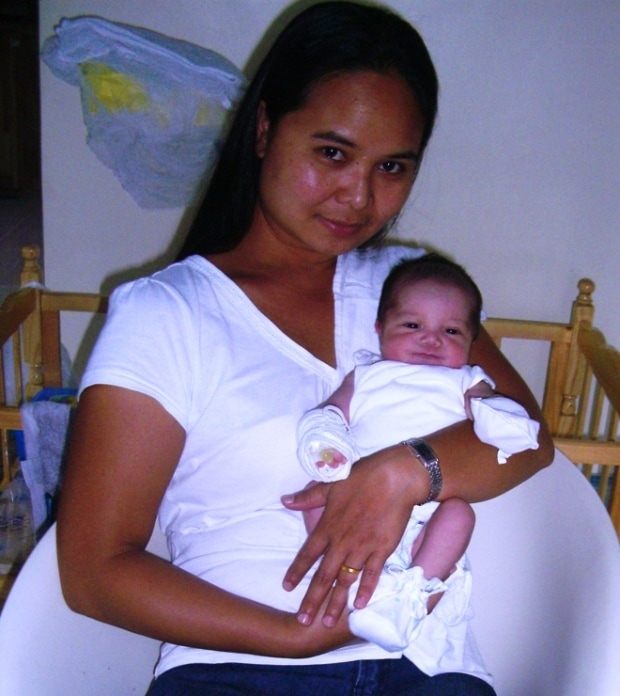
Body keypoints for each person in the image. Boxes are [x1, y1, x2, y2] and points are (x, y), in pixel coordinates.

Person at [56, 2, 554, 694]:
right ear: (264, 129)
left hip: (425, 664)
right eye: (332, 154)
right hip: (239, 671)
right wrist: (294, 638)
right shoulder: (169, 313)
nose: (358, 196)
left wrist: (404, 473)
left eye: (392, 167)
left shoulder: (410, 292)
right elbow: (95, 571)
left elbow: (528, 439)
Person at [296, 254, 540, 667]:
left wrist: (502, 419)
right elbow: (332, 412)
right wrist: (326, 445)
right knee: (315, 495)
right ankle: (344, 570)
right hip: (358, 503)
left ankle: (411, 592)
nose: (431, 340)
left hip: (429, 512)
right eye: (412, 325)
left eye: (451, 331)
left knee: (460, 515)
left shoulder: (466, 379)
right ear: (380, 329)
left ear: (471, 341)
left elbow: (488, 406)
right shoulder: (367, 375)